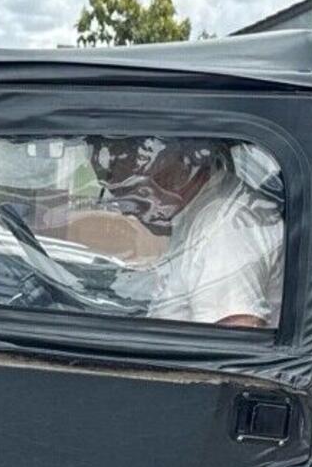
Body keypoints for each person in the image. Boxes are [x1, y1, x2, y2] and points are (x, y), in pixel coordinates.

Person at [87, 137, 284, 327]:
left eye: (131, 188)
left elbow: (232, 339)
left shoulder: (224, 231)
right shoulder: (198, 210)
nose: (126, 208)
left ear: (176, 166)